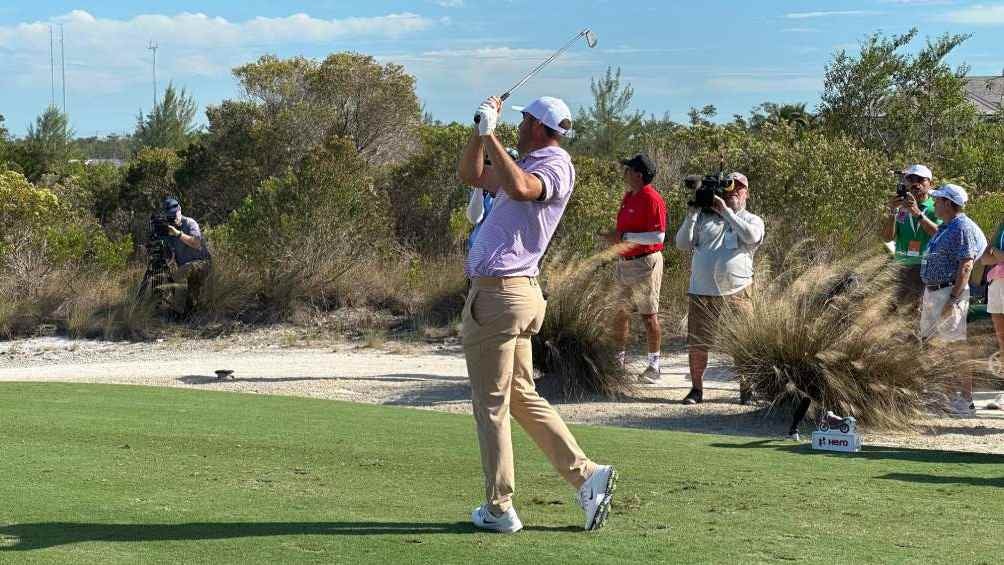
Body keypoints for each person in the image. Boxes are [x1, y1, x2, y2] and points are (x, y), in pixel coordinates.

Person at [457, 95, 617, 533]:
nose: (519, 125)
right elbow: (471, 174)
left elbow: (523, 189)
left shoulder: (553, 164)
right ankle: (587, 476)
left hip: (501, 297)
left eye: (524, 120)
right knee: (520, 396)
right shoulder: (525, 164)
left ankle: (498, 507)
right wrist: (479, 133)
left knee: (490, 405)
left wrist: (491, 134)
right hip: (508, 297)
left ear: (541, 128)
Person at [675, 172, 765, 405]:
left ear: (747, 193)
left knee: (742, 341)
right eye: (729, 188)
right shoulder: (705, 219)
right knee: (697, 344)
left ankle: (746, 389)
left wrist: (726, 212)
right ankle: (696, 390)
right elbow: (682, 244)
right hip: (702, 292)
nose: (734, 191)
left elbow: (752, 237)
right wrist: (693, 214)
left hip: (738, 292)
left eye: (740, 188)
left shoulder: (752, 220)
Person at [919, 184, 987, 415]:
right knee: (935, 346)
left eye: (938, 200)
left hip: (948, 293)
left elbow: (966, 264)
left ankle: (965, 399)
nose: (934, 203)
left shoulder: (962, 227)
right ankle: (943, 397)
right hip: (935, 292)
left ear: (948, 203)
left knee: (955, 345)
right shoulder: (948, 226)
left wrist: (954, 299)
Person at [601, 153, 667, 384]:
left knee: (649, 316)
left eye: (628, 169)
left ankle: (654, 366)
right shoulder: (629, 196)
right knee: (620, 314)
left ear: (638, 174)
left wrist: (622, 236)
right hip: (625, 263)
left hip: (646, 263)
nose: (625, 173)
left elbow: (659, 236)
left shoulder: (652, 198)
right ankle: (618, 363)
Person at [880, 164, 940, 309]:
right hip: (901, 267)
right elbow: (888, 238)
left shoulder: (937, 207)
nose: (915, 183)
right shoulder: (901, 209)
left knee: (918, 315)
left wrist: (917, 213)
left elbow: (941, 236)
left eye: (920, 179)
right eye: (911, 179)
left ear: (930, 184)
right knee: (894, 316)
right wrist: (892, 212)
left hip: (925, 269)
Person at [161, 196, 211, 315]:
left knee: (181, 273)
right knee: (191, 299)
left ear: (180, 210)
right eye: (170, 216)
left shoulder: (189, 223)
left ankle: (178, 311)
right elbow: (171, 257)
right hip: (185, 267)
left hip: (202, 263)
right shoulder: (169, 230)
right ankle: (185, 311)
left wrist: (178, 234)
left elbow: (196, 243)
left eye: (174, 215)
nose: (173, 218)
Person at [466, 148, 518, 249]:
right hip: (476, 250)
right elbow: (474, 218)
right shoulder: (484, 192)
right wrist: (480, 183)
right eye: (489, 163)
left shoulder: (514, 196)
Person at [981, 219, 1004, 373]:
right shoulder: (1002, 225)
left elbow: (995, 254)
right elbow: (984, 259)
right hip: (996, 283)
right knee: (1001, 334)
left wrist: (994, 250)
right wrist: (998, 253)